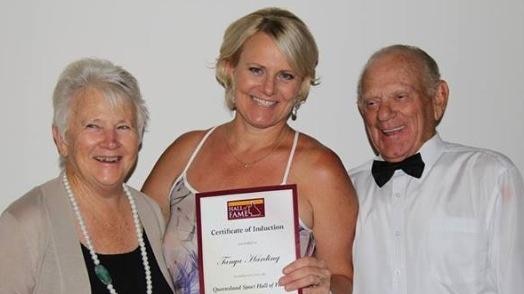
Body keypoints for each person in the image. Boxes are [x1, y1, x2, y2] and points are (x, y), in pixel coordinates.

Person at [142, 7, 358, 294]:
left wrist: (326, 287)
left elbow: (343, 277)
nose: (268, 88)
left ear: (302, 84)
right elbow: (135, 247)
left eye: (286, 75)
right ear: (230, 69)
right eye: (256, 70)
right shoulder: (184, 154)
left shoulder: (321, 170)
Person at [350, 44, 524, 293]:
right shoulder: (346, 189)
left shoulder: (491, 176)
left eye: (400, 96)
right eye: (371, 103)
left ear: (438, 97)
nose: (384, 114)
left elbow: (514, 284)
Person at [0, 58, 174, 294]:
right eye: (93, 126)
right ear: (62, 139)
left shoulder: (150, 213)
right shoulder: (24, 225)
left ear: (139, 137)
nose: (110, 141)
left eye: (123, 126)